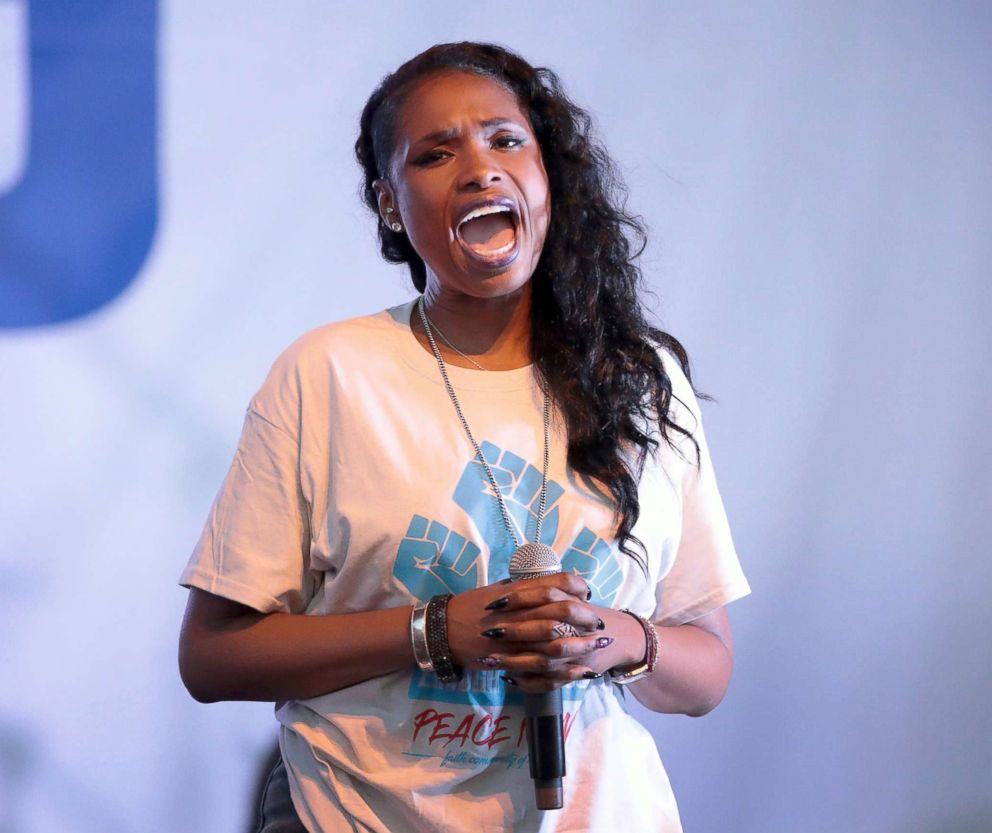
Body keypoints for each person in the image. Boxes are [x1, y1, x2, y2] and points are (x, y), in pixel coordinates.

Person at [178, 41, 750, 833]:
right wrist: (438, 630)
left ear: (549, 177)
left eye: (506, 141)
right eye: (436, 154)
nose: (480, 168)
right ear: (388, 204)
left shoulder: (640, 380)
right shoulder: (330, 373)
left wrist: (615, 639)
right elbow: (213, 656)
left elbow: (708, 668)